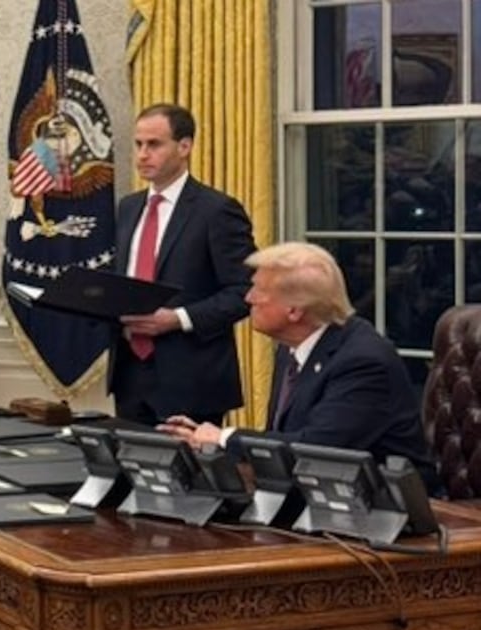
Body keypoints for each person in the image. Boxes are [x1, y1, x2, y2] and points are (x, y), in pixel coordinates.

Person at [158, 242, 440, 493]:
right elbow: (286, 445)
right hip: (314, 497)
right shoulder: (292, 347)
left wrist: (223, 438)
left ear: (294, 311)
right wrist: (207, 444)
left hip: (388, 510)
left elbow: (316, 451)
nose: (248, 298)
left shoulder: (363, 361)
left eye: (259, 291)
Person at [111, 103, 257, 427]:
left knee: (187, 477)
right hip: (130, 374)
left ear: (184, 146)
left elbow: (245, 290)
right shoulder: (128, 207)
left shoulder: (217, 210)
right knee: (133, 474)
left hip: (192, 379)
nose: (143, 155)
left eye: (154, 144)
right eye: (138, 144)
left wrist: (178, 319)